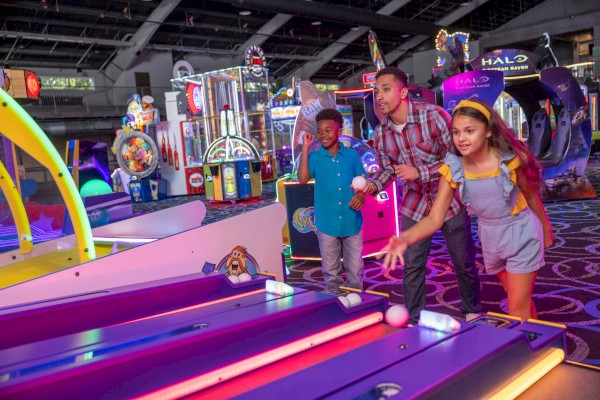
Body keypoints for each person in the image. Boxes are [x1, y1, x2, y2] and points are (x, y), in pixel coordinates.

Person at [380, 99, 553, 321]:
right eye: (456, 132)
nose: (461, 138)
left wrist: (546, 229)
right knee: (518, 298)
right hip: (490, 235)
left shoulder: (509, 161)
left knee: (516, 308)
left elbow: (530, 195)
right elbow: (434, 218)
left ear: (489, 131)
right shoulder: (453, 168)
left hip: (521, 233)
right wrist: (404, 238)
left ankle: (526, 352)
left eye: (469, 131)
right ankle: (538, 340)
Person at [362, 66, 481, 325]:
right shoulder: (381, 133)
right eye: (375, 91)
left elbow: (457, 158)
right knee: (412, 265)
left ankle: (471, 309)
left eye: (385, 89)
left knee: (463, 261)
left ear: (403, 91)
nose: (379, 97)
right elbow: (388, 171)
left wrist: (421, 172)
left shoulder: (434, 116)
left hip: (449, 199)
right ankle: (414, 317)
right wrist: (372, 186)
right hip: (414, 204)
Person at [298, 109, 367, 290]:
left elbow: (362, 180)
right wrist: (305, 148)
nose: (322, 135)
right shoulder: (315, 157)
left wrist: (360, 195)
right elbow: (303, 178)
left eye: (328, 130)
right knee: (330, 271)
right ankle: (335, 302)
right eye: (319, 131)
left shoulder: (352, 155)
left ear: (339, 132)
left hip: (351, 220)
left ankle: (357, 299)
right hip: (326, 223)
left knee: (355, 268)